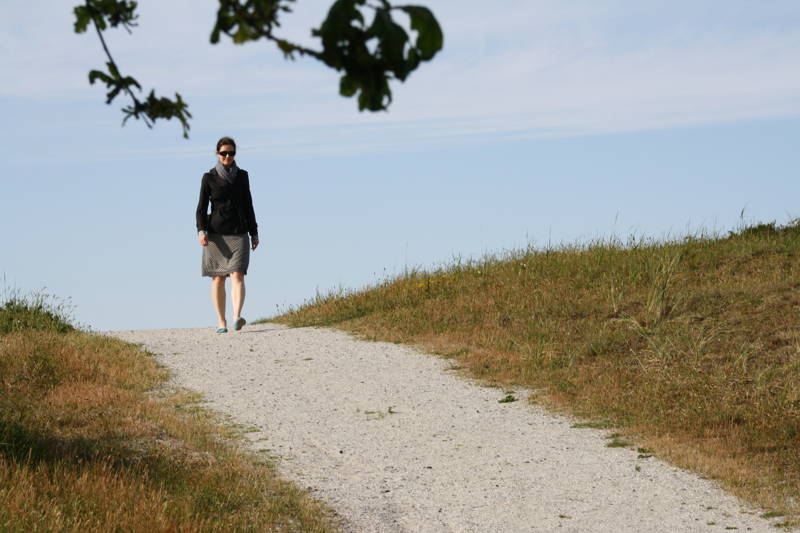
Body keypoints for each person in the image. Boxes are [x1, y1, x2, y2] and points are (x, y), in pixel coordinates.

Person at [196, 136, 259, 333]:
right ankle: (221, 321)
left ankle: (236, 316)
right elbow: (201, 208)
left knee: (238, 274)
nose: (228, 156)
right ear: (218, 154)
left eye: (231, 153)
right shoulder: (209, 177)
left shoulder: (242, 176)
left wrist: (254, 232)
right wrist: (201, 231)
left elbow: (248, 204)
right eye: (224, 153)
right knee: (218, 278)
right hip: (216, 234)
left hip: (239, 232)